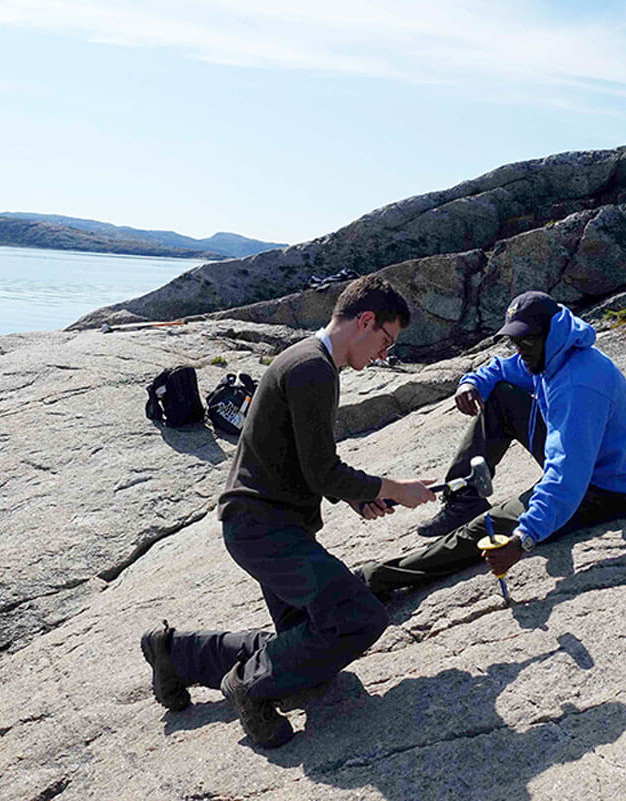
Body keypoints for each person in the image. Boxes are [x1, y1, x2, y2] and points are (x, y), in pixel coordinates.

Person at [140, 276, 436, 749]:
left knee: (302, 646)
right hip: (264, 528)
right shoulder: (312, 368)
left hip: (265, 526)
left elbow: (305, 463)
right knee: (358, 617)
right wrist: (393, 488)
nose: (384, 354)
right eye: (385, 340)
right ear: (365, 320)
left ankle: (175, 652)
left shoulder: (311, 362)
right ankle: (249, 686)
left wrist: (360, 496)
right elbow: (323, 468)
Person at [357, 290, 626, 598]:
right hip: (589, 461)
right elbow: (501, 369)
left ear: (550, 333)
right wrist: (471, 383)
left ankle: (377, 579)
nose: (519, 349)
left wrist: (523, 538)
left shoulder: (578, 385)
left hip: (607, 490)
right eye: (515, 340)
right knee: (501, 394)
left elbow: (566, 475)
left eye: (525, 341)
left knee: (485, 528)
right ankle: (464, 500)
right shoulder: (551, 351)